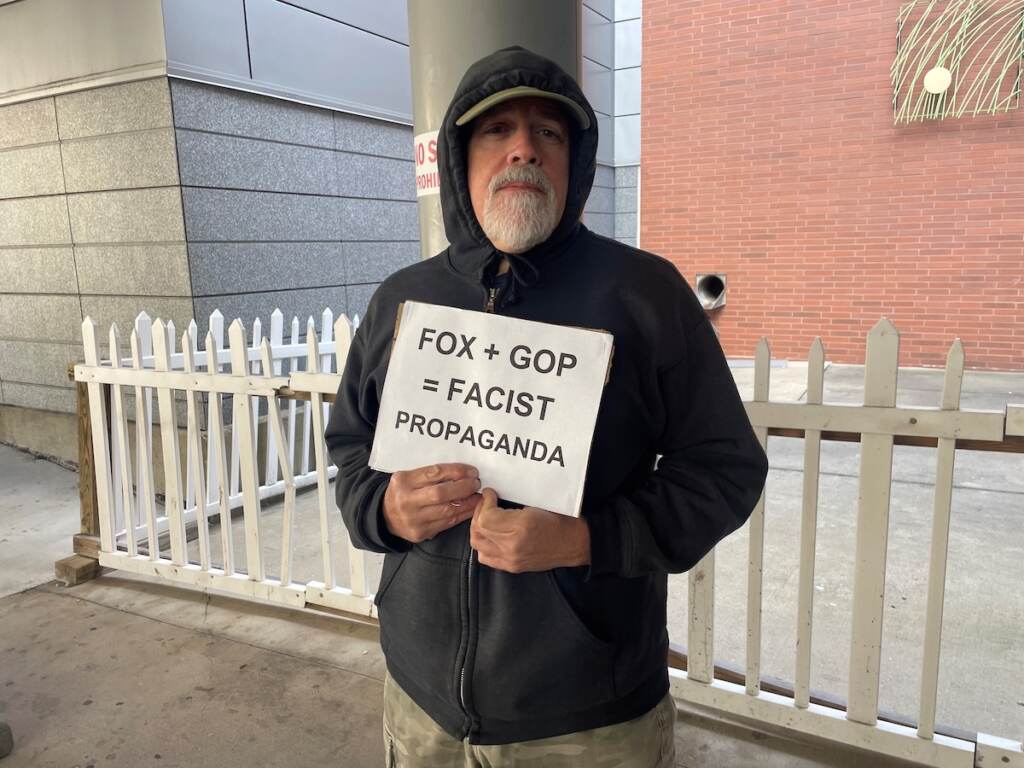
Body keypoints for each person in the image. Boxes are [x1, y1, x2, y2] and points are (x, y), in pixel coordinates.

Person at [325, 46, 768, 767]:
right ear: (461, 161)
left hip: (589, 720)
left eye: (549, 134)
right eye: (497, 131)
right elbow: (350, 446)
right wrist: (383, 510)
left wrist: (589, 539)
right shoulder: (400, 300)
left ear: (575, 162)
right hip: (420, 702)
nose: (524, 148)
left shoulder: (645, 296)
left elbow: (725, 471)